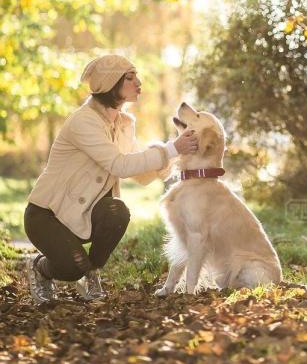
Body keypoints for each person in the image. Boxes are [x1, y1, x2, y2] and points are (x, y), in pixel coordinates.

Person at [23, 54, 198, 305]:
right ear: (109, 83)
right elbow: (119, 165)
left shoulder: (124, 122)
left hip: (85, 214)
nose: (139, 82)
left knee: (118, 211)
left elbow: (138, 171)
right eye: (130, 77)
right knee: (72, 268)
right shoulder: (83, 121)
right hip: (48, 215)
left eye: (136, 76)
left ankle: (91, 272)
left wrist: (173, 158)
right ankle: (40, 267)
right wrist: (171, 149)